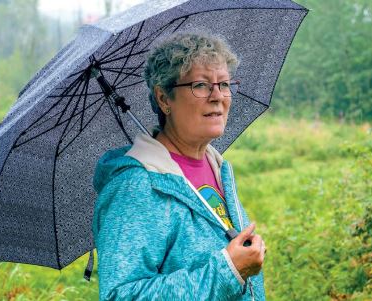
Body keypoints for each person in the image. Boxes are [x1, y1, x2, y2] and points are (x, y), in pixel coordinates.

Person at [92, 32, 266, 300]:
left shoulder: (217, 166)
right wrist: (229, 270)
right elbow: (120, 295)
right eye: (201, 85)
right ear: (164, 98)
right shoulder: (136, 187)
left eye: (224, 84)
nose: (218, 96)